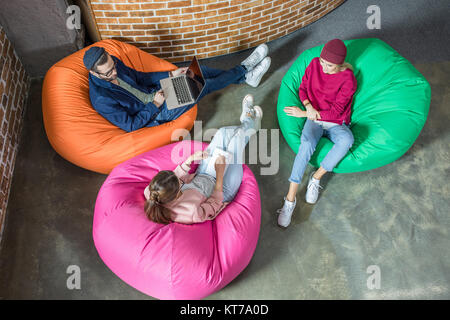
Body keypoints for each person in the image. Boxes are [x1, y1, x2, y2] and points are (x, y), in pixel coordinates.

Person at [83, 44, 271, 132]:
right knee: (204, 84)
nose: (114, 72)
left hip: (156, 91)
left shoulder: (112, 62)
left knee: (198, 71)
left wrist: (170, 74)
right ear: (95, 73)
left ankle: (244, 77)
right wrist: (155, 105)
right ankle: (244, 69)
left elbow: (141, 77)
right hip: (157, 112)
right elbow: (130, 125)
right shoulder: (101, 99)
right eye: (108, 73)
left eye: (113, 66)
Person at [143, 94, 262, 224]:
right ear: (176, 194)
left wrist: (190, 160)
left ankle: (249, 126)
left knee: (222, 132)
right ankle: (248, 121)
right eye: (179, 182)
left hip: (202, 175)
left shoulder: (152, 192)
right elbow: (215, 204)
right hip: (222, 189)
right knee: (237, 138)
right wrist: (220, 174)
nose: (179, 176)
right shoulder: (190, 213)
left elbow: (174, 177)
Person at [277, 39, 357, 228]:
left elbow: (336, 112)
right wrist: (308, 107)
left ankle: (316, 177)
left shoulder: (348, 79)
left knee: (347, 140)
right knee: (306, 145)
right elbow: (303, 88)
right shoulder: (314, 64)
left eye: (329, 65)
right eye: (322, 62)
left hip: (335, 121)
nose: (324, 67)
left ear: (339, 64)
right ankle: (290, 200)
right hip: (314, 118)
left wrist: (303, 113)